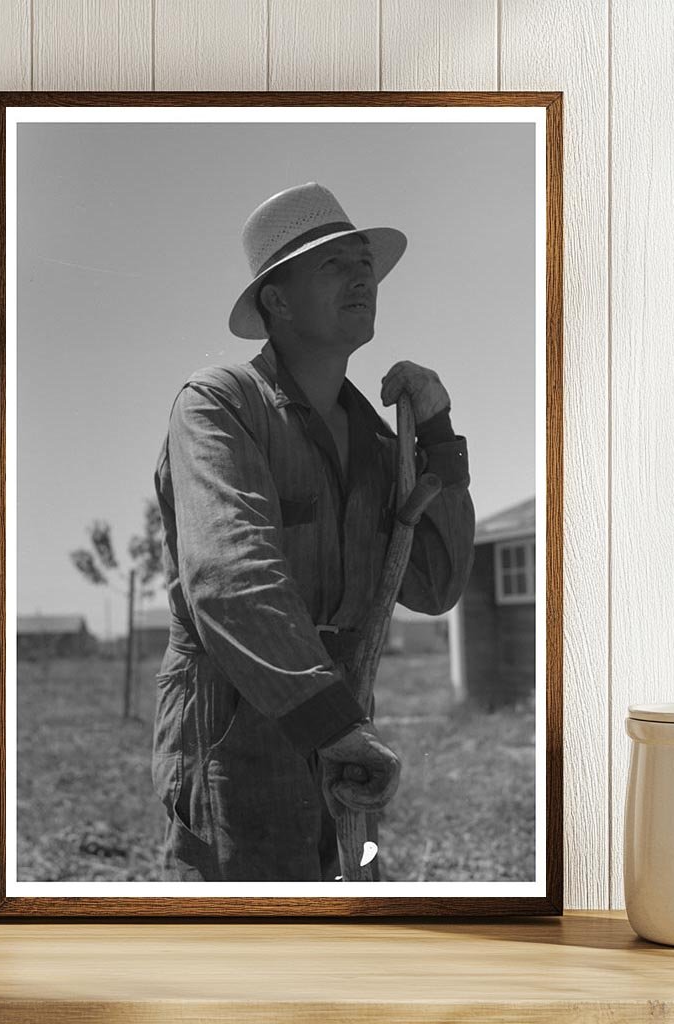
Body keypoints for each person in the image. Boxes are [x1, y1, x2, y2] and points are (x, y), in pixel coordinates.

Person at [151, 181, 475, 882]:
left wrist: (438, 434)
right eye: (334, 263)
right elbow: (230, 582)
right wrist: (332, 724)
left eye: (365, 262)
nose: (362, 276)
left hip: (343, 719)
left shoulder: (376, 437)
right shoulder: (219, 405)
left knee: (346, 916)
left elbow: (437, 583)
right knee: (252, 949)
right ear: (277, 299)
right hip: (238, 729)